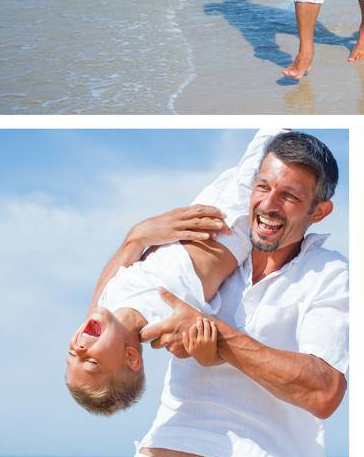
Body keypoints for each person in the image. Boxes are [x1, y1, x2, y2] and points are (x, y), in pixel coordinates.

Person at [121, 131, 349, 457]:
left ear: (318, 212)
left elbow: (324, 389)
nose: (269, 205)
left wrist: (218, 340)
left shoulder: (327, 274)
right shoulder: (210, 253)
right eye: (262, 187)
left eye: (290, 196)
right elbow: (102, 322)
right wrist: (137, 238)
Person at [66, 129, 276, 416]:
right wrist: (203, 354)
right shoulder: (163, 330)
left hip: (200, 212)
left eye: (71, 356)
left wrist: (140, 235)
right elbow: (202, 347)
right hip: (229, 230)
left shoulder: (105, 304)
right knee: (267, 148)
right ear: (131, 357)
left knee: (242, 167)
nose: (79, 349)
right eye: (91, 362)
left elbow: (131, 246)